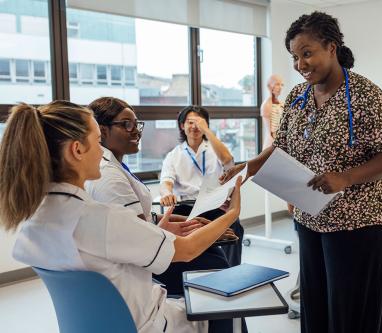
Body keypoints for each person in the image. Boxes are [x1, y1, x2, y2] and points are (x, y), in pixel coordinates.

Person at [221, 11, 382, 333]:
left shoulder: (365, 95)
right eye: (295, 57)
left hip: (357, 223)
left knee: (350, 314)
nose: (300, 64)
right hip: (310, 218)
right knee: (316, 308)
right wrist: (247, 167)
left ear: (331, 48)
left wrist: (345, 177)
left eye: (307, 53)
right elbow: (282, 147)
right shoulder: (298, 96)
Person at [0, 101, 243, 333]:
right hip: (149, 324)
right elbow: (187, 250)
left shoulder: (35, 219)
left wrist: (156, 230)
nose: (102, 152)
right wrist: (232, 213)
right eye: (97, 141)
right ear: (77, 150)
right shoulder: (103, 219)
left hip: (98, 325)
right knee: (224, 297)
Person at [84, 97, 243, 333]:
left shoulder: (114, 166)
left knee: (216, 250)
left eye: (137, 124)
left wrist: (169, 225)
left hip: (191, 215)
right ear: (102, 130)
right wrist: (231, 214)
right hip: (147, 262)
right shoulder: (111, 177)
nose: (136, 131)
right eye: (127, 125)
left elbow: (135, 222)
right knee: (218, 270)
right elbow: (148, 237)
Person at [159, 106, 244, 267]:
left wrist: (206, 131)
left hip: (213, 206)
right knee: (175, 231)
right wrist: (166, 193)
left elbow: (228, 161)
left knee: (234, 228)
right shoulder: (174, 155)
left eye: (199, 122)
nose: (194, 126)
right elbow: (166, 182)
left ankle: (231, 271)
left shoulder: (216, 149)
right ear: (182, 126)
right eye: (190, 122)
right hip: (186, 207)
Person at [261, 74, 285, 149]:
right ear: (269, 86)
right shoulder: (266, 105)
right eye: (277, 84)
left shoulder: (282, 104)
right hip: (271, 144)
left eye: (282, 84)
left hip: (281, 142)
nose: (280, 87)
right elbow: (270, 133)